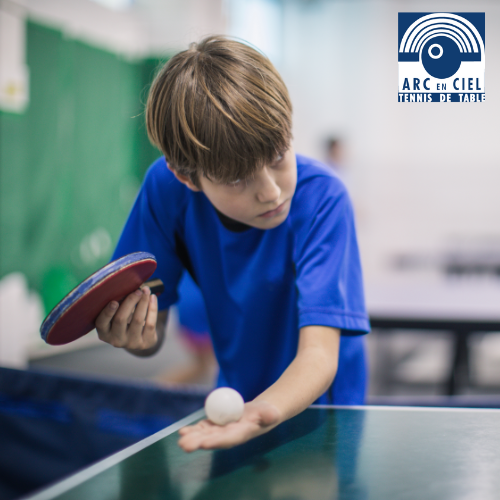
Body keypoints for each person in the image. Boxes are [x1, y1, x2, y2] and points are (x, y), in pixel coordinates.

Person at [95, 36, 370, 452]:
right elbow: (151, 335)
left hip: (324, 417)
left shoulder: (324, 199)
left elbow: (319, 356)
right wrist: (136, 336)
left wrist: (260, 415)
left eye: (279, 156)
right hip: (233, 410)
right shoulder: (166, 191)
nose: (272, 192)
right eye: (238, 180)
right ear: (188, 178)